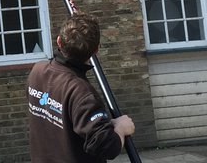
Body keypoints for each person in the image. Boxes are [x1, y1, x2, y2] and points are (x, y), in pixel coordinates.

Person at [26, 12, 135, 163]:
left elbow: (69, 119)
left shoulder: (37, 71)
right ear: (96, 50)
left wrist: (108, 125)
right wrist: (121, 129)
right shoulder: (81, 93)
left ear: (59, 41)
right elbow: (106, 146)